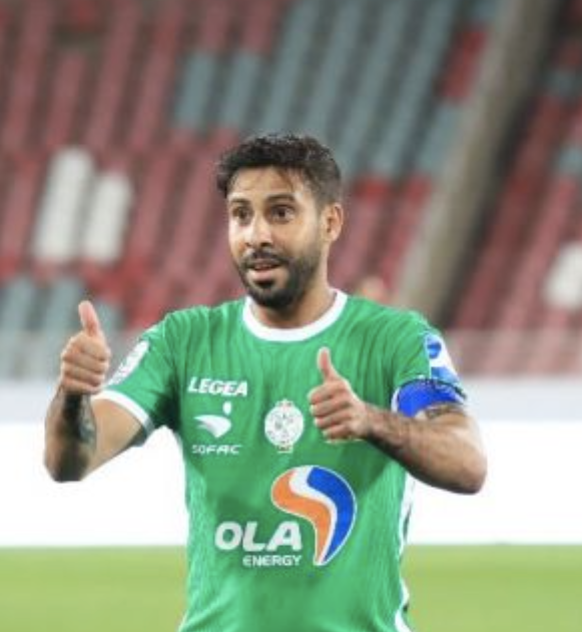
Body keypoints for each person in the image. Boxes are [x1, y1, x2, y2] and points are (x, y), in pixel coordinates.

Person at [44, 134, 487, 632]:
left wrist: (371, 421)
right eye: (241, 215)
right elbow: (70, 461)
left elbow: (468, 463)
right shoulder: (182, 341)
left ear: (330, 222)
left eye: (280, 213)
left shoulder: (396, 339)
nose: (256, 234)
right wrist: (72, 395)